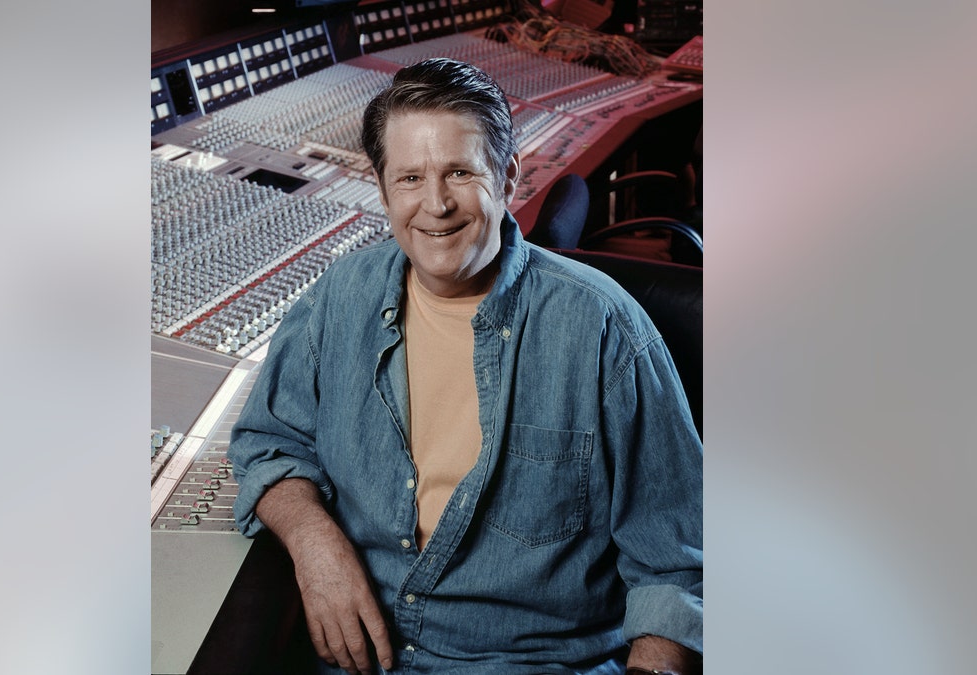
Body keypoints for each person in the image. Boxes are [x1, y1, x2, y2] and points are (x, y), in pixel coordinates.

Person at [228, 58, 702, 675]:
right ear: (381, 187)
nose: (436, 205)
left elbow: (678, 564)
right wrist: (314, 541)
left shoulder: (605, 328)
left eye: (458, 172)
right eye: (409, 179)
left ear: (507, 177)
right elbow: (269, 442)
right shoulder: (339, 297)